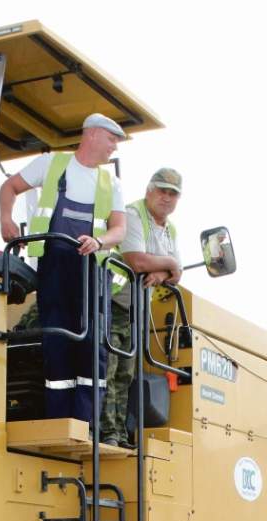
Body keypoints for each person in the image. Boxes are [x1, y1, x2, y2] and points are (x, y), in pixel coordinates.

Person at [0, 113, 127, 425]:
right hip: (54, 265)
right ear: (92, 134)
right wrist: (5, 219)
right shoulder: (51, 164)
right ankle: (59, 419)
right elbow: (9, 187)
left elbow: (119, 229)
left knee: (92, 343)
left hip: (92, 271)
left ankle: (86, 423)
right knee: (57, 340)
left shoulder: (111, 183)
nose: (114, 146)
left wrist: (99, 241)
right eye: (111, 139)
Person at [100, 168, 183, 448]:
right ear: (149, 190)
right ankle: (106, 431)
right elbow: (136, 261)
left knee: (126, 374)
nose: (166, 198)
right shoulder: (132, 215)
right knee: (108, 370)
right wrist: (169, 264)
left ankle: (119, 433)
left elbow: (177, 274)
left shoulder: (170, 230)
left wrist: (162, 273)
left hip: (135, 310)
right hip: (112, 301)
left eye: (173, 194)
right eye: (162, 191)